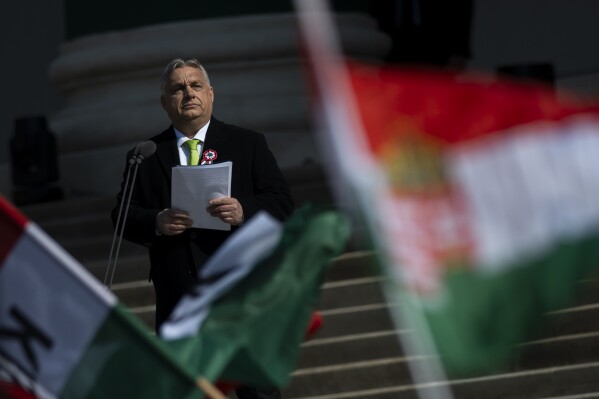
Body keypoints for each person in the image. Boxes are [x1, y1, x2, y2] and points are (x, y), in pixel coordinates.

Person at [112, 58, 294, 399]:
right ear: (165, 102)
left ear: (211, 94)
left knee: (257, 390)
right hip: (180, 297)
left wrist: (243, 210)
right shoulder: (146, 155)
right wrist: (156, 221)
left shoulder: (247, 143)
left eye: (196, 86)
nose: (188, 94)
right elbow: (121, 214)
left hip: (241, 292)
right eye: (177, 88)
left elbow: (281, 201)